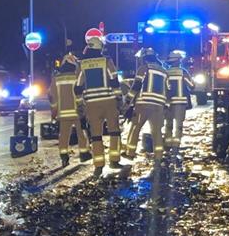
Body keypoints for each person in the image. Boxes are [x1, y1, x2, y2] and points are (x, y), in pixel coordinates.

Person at [75, 36, 122, 174]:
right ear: (100, 48)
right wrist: (119, 98)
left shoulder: (81, 64)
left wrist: (80, 104)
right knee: (114, 131)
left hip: (91, 104)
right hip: (109, 101)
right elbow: (114, 80)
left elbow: (77, 87)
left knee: (95, 135)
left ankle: (99, 165)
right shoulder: (106, 61)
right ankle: (114, 160)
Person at [123, 47, 166, 161]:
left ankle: (130, 152)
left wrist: (127, 101)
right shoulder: (163, 71)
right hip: (159, 105)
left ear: (145, 58)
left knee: (135, 127)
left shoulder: (144, 68)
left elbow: (136, 86)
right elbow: (168, 88)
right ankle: (159, 155)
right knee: (156, 131)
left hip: (144, 104)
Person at [48, 53, 91, 167]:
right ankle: (83, 153)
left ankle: (64, 157)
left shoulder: (56, 79)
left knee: (63, 135)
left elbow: (53, 97)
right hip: (78, 112)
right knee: (81, 133)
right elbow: (83, 93)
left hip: (63, 113)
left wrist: (53, 112)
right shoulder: (77, 76)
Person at [163, 51, 194, 151]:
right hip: (180, 103)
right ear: (178, 61)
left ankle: (167, 145)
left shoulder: (165, 73)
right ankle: (176, 145)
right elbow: (192, 85)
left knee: (169, 124)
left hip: (168, 102)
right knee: (178, 125)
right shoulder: (183, 72)